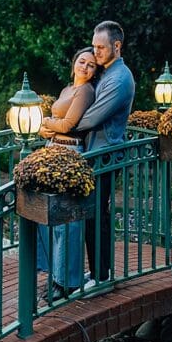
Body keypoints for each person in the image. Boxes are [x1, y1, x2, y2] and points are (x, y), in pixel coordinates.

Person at [42, 21, 135, 292]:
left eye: (101, 47)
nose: (96, 52)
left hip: (105, 155)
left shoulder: (119, 78)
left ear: (117, 46)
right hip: (92, 154)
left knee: (96, 215)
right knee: (92, 215)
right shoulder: (106, 73)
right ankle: (95, 272)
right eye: (94, 46)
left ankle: (102, 277)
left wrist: (58, 126)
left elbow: (90, 118)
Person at [35, 47, 100, 299]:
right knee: (48, 214)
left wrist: (46, 123)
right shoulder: (67, 90)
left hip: (70, 152)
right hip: (52, 149)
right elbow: (56, 124)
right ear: (74, 63)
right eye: (82, 62)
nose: (85, 67)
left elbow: (68, 124)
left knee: (67, 219)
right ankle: (55, 274)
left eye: (91, 65)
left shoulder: (86, 91)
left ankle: (66, 281)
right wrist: (47, 128)